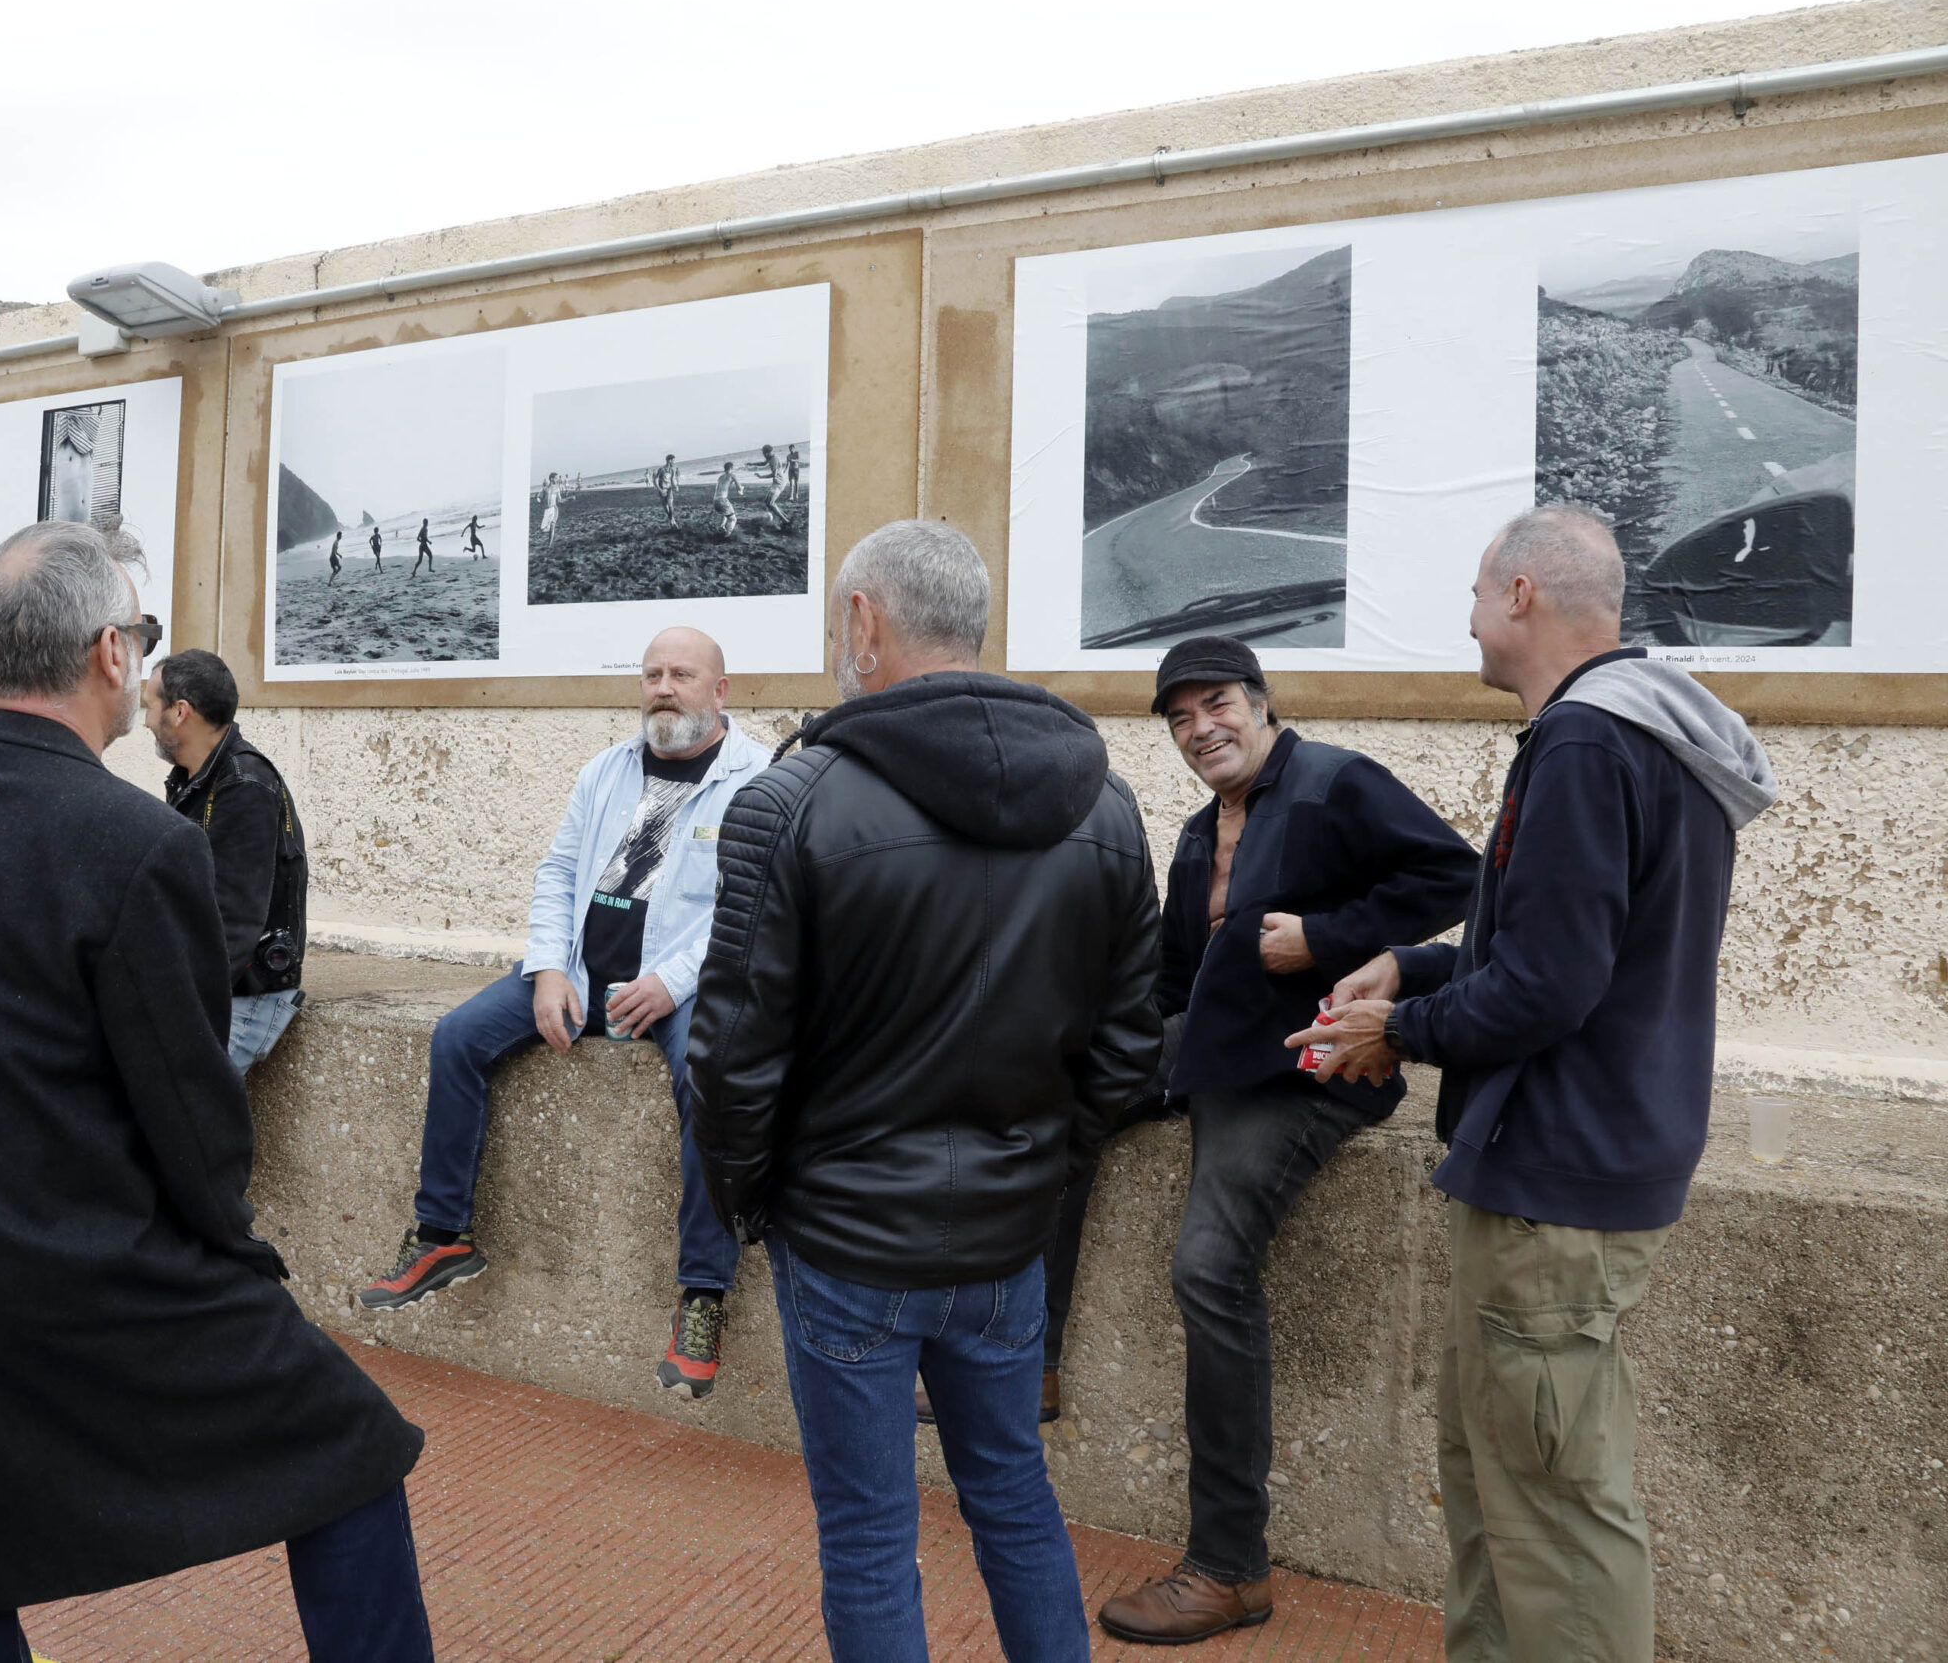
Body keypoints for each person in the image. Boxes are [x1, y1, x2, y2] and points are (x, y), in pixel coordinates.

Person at [0, 520, 434, 1663]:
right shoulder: (142, 842)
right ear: (110, 652)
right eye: (141, 641)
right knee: (352, 1450)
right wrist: (235, 1257)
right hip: (82, 1266)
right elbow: (193, 1119)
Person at [1290, 506, 1775, 1663]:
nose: (1465, 618)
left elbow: (1546, 989)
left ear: (1520, 596)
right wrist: (1410, 965)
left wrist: (1395, 1032)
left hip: (1556, 1184)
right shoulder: (1642, 734)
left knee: (1551, 1511)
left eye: (1472, 593)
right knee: (1503, 1482)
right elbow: (1564, 956)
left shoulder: (1584, 743)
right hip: (1580, 1167)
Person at [690, 521, 1162, 1663]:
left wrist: (755, 1201)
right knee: (1012, 1495)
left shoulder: (790, 802)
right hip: (1004, 1235)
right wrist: (1037, 1166)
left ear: (864, 622)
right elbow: (1127, 1046)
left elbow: (732, 1056)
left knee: (866, 1532)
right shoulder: (1105, 809)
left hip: (845, 1232)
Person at [1095, 635, 1476, 1646]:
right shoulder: (1189, 836)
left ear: (1261, 705)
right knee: (1041, 1096)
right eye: (1178, 718)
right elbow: (1175, 988)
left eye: (1215, 703)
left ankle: (1228, 1568)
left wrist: (1330, 939)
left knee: (1207, 1267)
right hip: (1210, 1055)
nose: (1198, 729)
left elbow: (1457, 879)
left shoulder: (1333, 784)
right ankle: (1035, 1358)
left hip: (1306, 1066)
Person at [357, 626, 770, 1403]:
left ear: (721, 690)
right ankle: (444, 1236)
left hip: (685, 981)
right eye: (651, 673)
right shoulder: (605, 770)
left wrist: (674, 982)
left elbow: (747, 906)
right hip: (581, 971)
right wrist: (548, 967)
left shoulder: (756, 780)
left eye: (682, 674)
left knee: (708, 1072)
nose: (663, 687)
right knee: (458, 1038)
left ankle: (702, 1297)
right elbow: (556, 873)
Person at [141, 648, 310, 1088]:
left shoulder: (243, 786)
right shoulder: (197, 777)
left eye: (149, 707)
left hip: (242, 998)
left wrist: (173, 1003)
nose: (144, 721)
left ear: (179, 712)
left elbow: (233, 923)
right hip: (213, 989)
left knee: (163, 1117)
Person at [711, 461, 741, 541]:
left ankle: (721, 526)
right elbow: (739, 489)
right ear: (731, 468)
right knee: (733, 519)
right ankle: (727, 537)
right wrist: (741, 490)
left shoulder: (720, 477)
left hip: (715, 501)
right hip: (722, 500)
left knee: (725, 514)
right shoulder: (732, 475)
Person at [654, 453, 680, 526]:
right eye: (673, 461)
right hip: (662, 490)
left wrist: (675, 486)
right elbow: (655, 480)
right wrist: (660, 490)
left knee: (670, 505)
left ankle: (672, 520)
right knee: (665, 507)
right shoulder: (661, 470)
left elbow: (672, 480)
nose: (674, 462)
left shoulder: (672, 470)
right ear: (669, 460)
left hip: (669, 490)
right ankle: (672, 519)